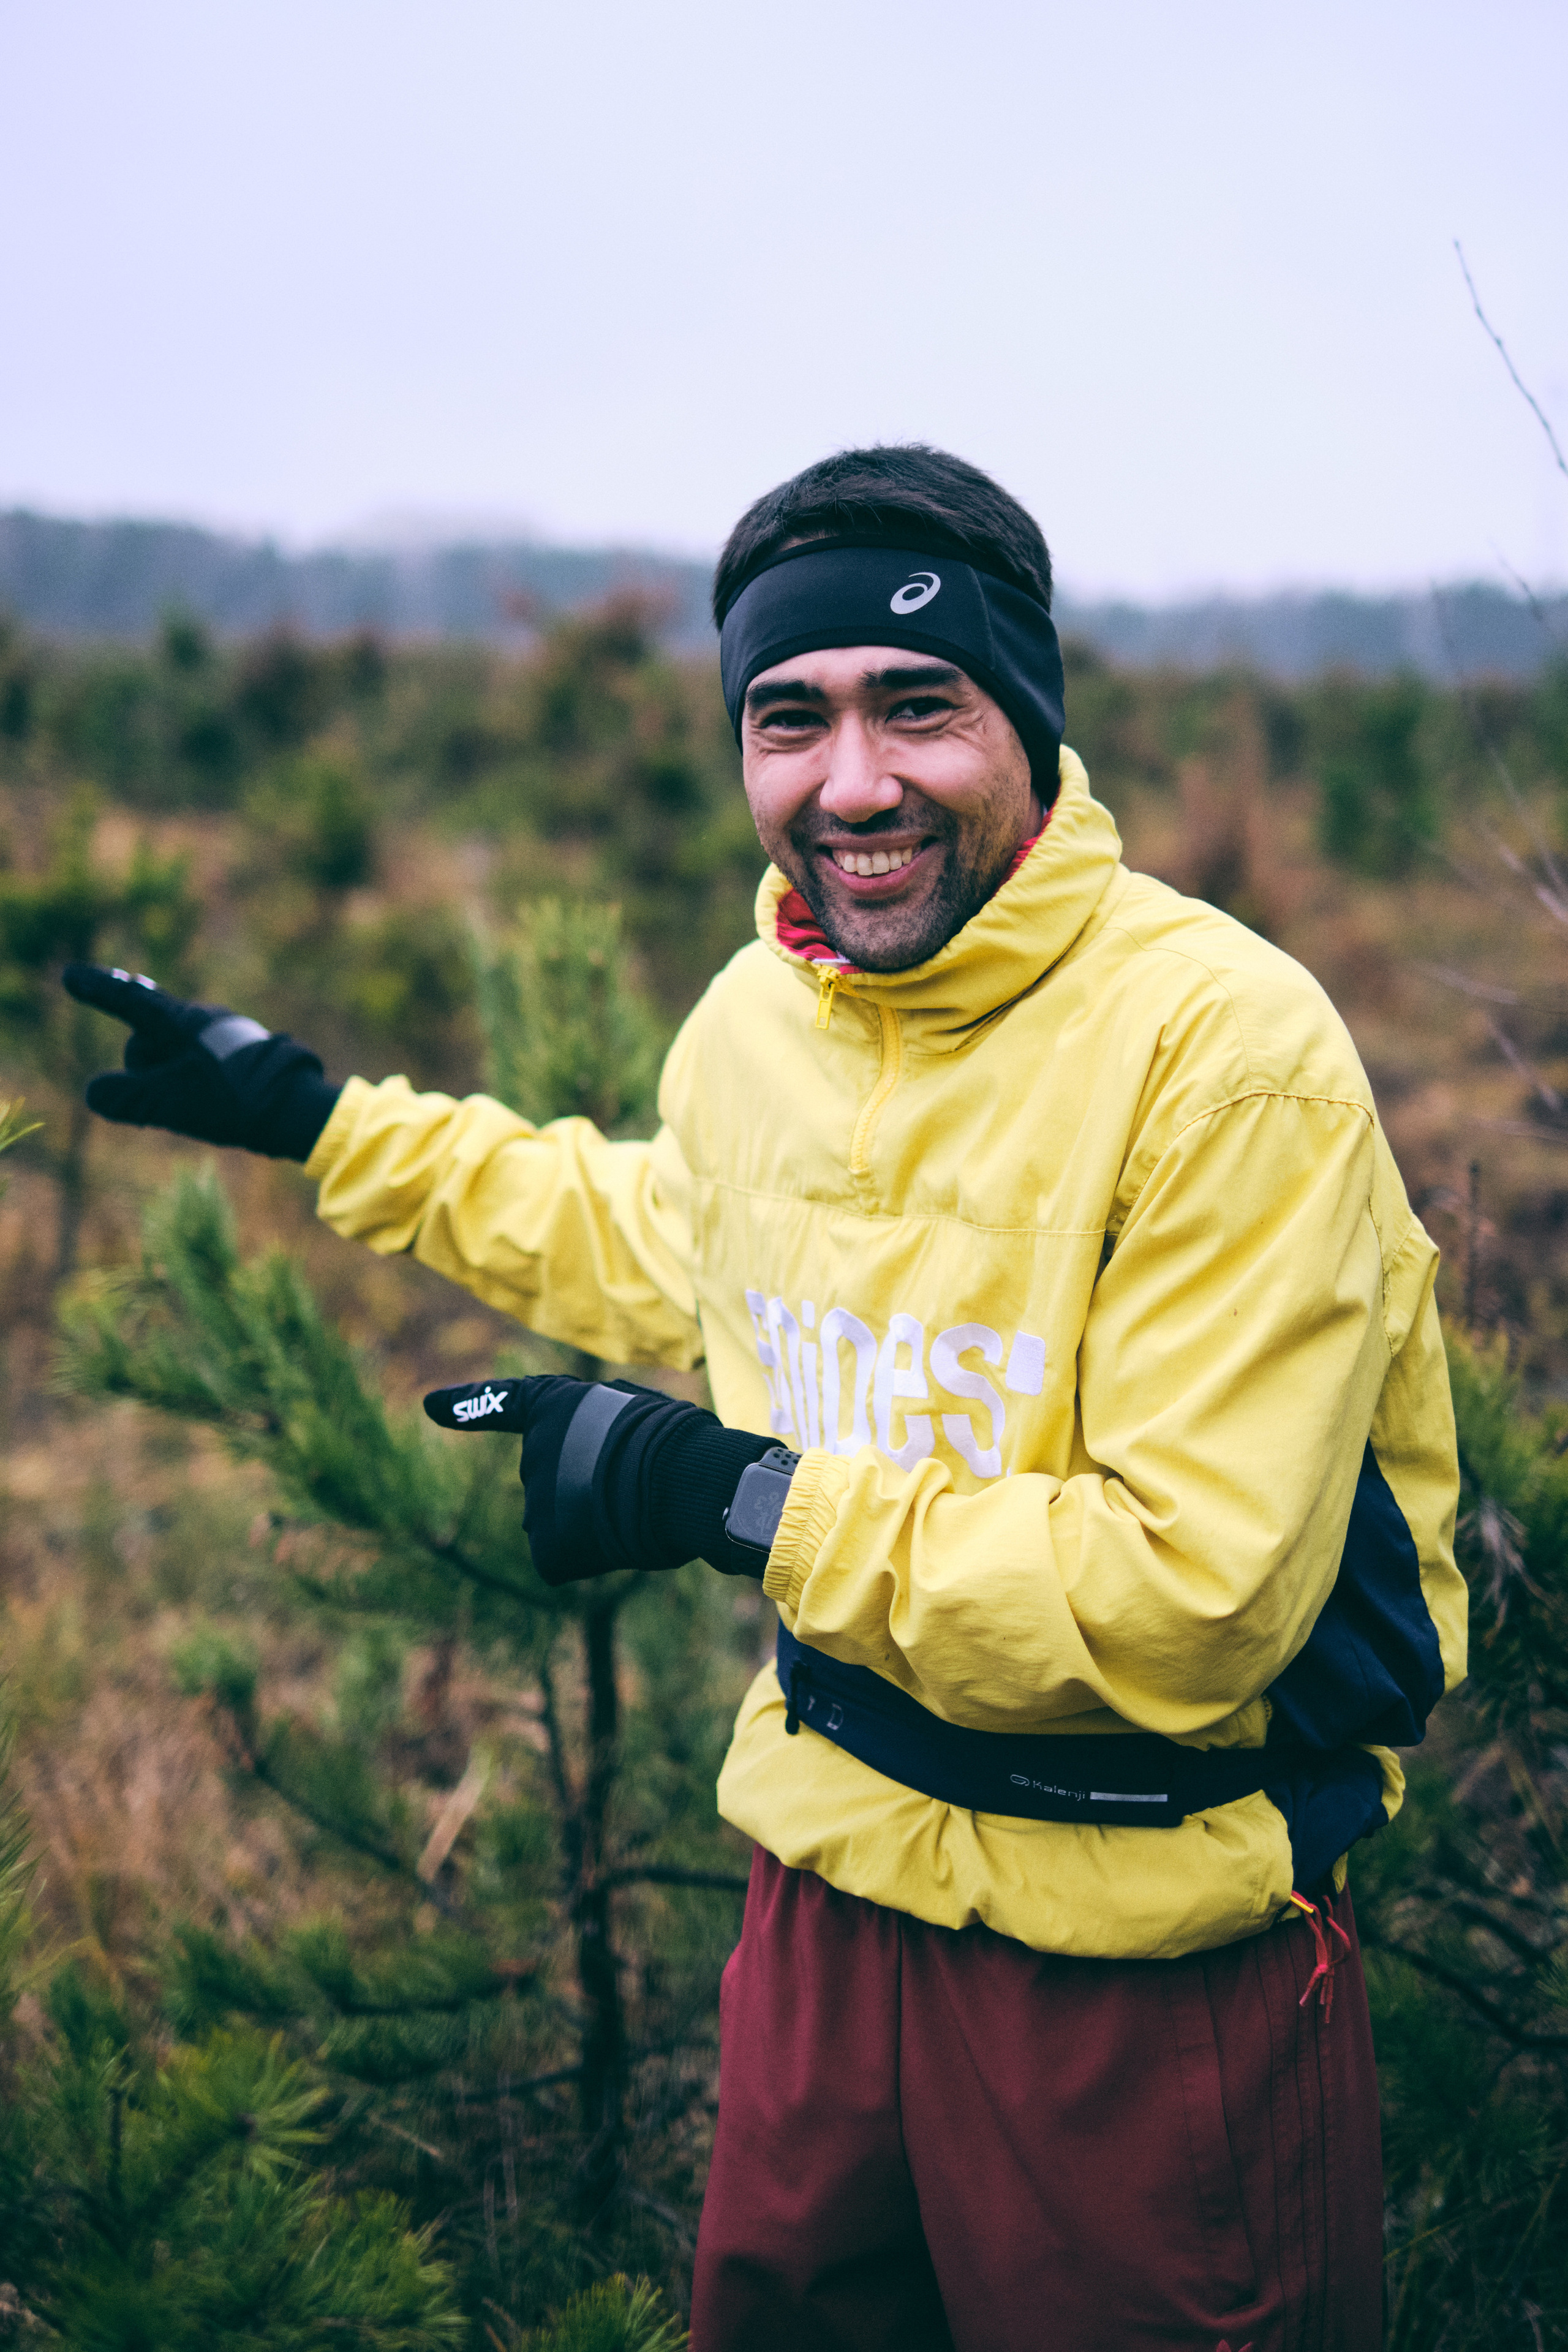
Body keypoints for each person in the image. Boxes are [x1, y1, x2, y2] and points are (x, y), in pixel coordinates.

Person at [65, 444, 1466, 2352]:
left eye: (919, 706)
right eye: (788, 719)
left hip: (1143, 1942)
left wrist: (727, 1497)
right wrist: (314, 1117)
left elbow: (1190, 1597)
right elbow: (663, 1238)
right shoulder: (761, 1017)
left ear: (1031, 718)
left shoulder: (1223, 1056)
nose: (852, 783)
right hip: (823, 1877)